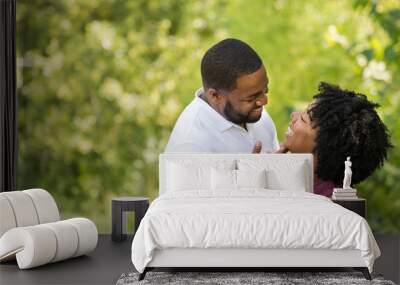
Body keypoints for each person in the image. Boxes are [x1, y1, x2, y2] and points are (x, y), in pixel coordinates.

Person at [165, 38, 279, 153]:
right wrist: (248, 170)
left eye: (265, 90)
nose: (264, 101)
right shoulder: (190, 146)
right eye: (251, 98)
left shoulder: (257, 114)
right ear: (215, 96)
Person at [279, 82, 392, 197]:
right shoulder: (308, 187)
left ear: (325, 146)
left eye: (303, 119)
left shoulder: (324, 205)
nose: (294, 115)